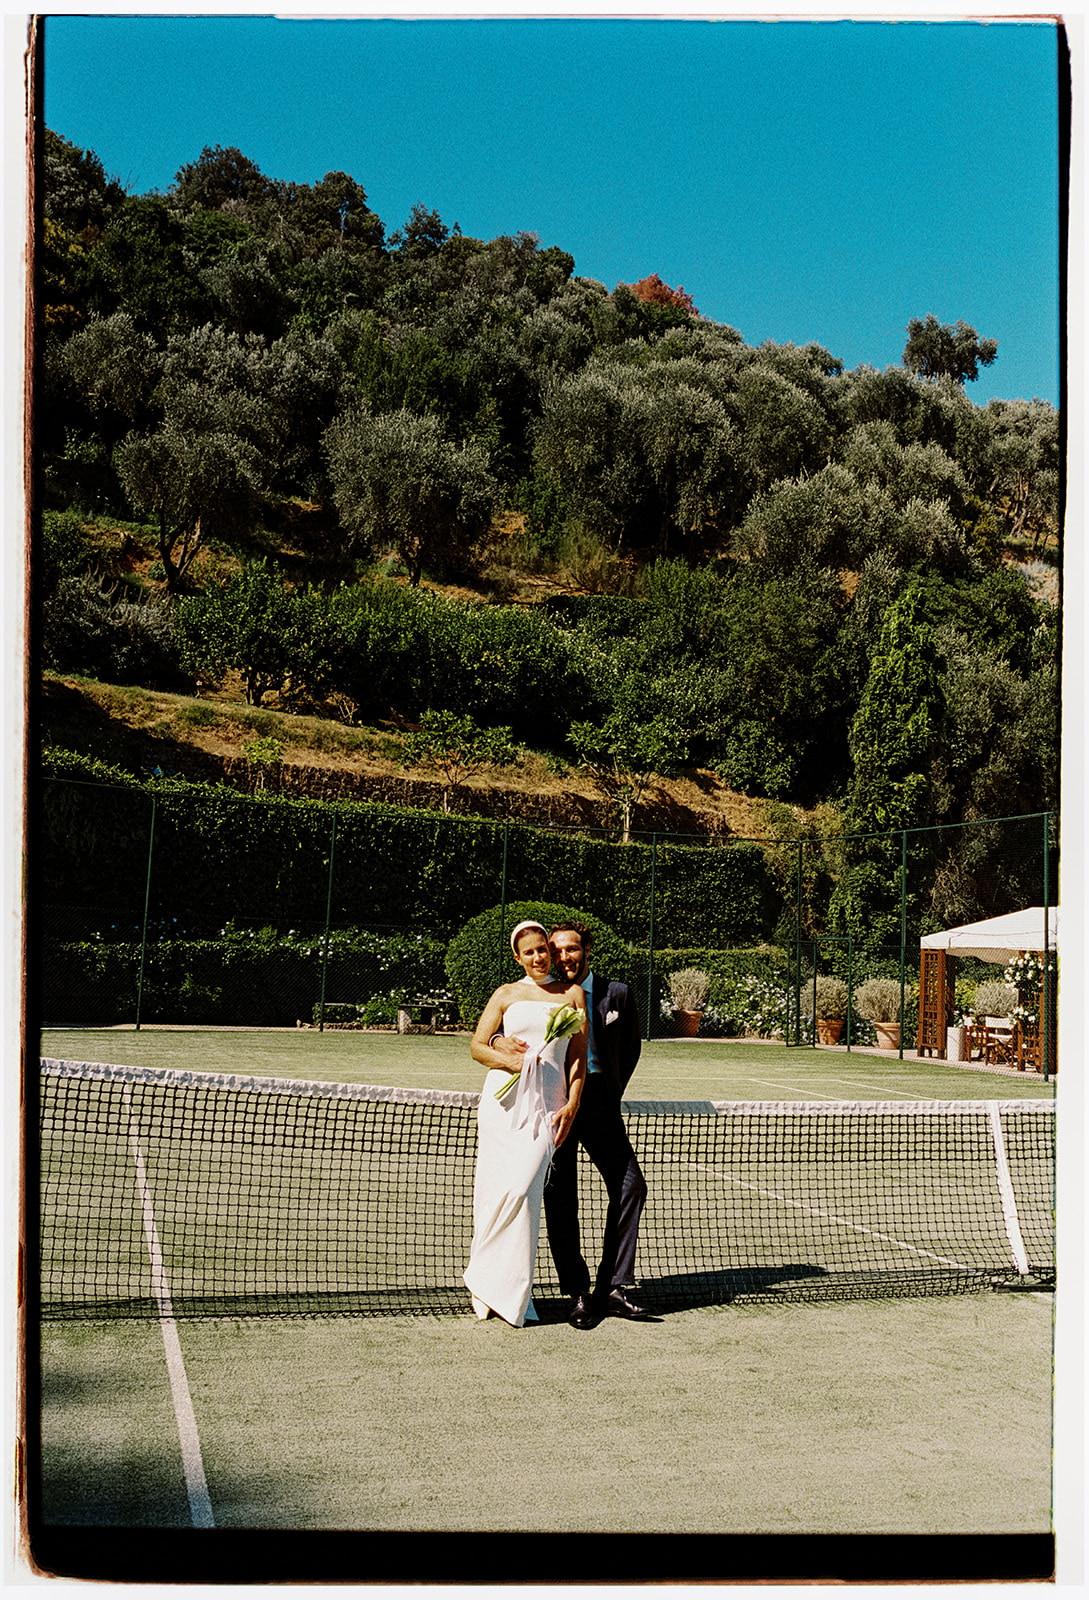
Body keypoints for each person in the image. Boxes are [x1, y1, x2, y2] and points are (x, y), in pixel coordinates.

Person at [489, 921, 649, 1328]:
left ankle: (611, 1287)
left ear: (587, 950)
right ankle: (577, 1292)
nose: (561, 958)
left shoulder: (618, 994)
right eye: (554, 951)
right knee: (561, 1199)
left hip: (599, 1107)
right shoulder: (550, 993)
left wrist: (608, 1093)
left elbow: (630, 1049)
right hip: (554, 1104)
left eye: (570, 950)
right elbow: (511, 1030)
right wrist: (495, 1043)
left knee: (631, 1184)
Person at [462, 920, 587, 1327]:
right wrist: (509, 1058)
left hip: (545, 1110)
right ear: (518, 957)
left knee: (522, 1193)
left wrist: (572, 1103)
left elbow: (577, 1058)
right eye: (528, 952)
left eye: (542, 950)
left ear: (550, 952)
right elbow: (477, 1047)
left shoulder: (571, 995)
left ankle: (507, 1291)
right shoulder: (505, 994)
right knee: (494, 1194)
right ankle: (488, 1290)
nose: (537, 957)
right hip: (502, 1106)